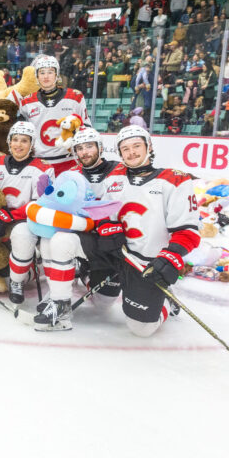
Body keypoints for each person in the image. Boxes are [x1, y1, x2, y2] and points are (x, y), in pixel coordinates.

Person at [37, 126, 200, 336]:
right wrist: (107, 226)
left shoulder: (175, 180)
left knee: (141, 328)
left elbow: (188, 231)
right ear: (119, 152)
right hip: (115, 254)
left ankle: (166, 302)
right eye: (125, 148)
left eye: (136, 146)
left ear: (149, 146)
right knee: (64, 244)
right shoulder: (114, 177)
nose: (131, 152)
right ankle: (59, 304)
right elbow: (103, 212)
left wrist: (170, 257)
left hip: (146, 263)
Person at [33, 126, 121, 330]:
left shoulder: (120, 170)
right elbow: (58, 201)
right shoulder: (71, 173)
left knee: (103, 303)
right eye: (79, 148)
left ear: (100, 147)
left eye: (89, 146)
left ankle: (82, 273)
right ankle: (57, 297)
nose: (84, 152)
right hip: (78, 234)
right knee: (49, 239)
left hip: (107, 240)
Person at [0, 121, 55, 304]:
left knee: (21, 236)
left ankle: (18, 281)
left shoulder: (43, 168)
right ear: (9, 141)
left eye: (24, 141)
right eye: (15, 140)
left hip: (25, 220)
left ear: (32, 144)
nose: (18, 145)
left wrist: (9, 216)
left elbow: (40, 203)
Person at [18, 55, 89, 175]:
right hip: (39, 164)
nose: (46, 76)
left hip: (70, 162)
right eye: (42, 72)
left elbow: (87, 128)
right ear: (37, 76)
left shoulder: (75, 97)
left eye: (50, 72)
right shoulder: (26, 102)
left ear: (57, 75)